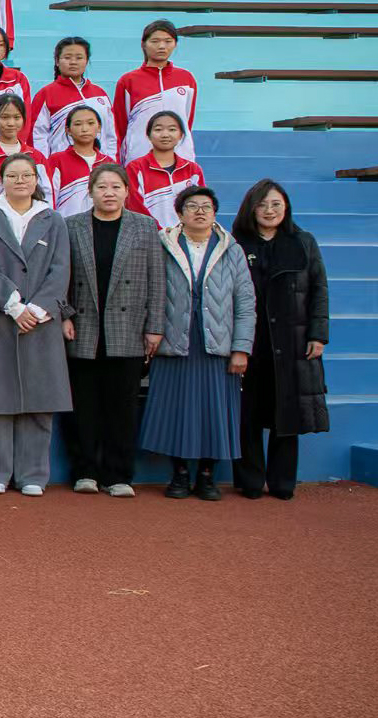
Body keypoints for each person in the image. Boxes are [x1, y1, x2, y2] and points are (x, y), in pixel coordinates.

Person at [142, 186, 254, 501]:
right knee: (174, 409)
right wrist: (152, 330)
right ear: (180, 213)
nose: (200, 211)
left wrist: (241, 347)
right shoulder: (163, 245)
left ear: (215, 213)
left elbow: (245, 302)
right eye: (192, 206)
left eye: (206, 206)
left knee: (214, 412)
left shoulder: (231, 249)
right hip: (173, 341)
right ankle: (178, 473)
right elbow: (151, 291)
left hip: (216, 344)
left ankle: (207, 475)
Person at [61, 162, 164, 498]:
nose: (109, 193)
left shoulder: (145, 227)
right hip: (83, 326)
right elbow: (61, 276)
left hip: (128, 327)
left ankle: (118, 475)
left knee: (122, 407)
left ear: (127, 191)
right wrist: (64, 314)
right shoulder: (72, 226)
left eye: (116, 187)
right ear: (90, 191)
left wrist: (155, 326)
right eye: (102, 187)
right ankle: (85, 471)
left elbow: (157, 280)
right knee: (83, 407)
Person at [0, 155, 71, 495]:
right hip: (1, 318)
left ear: (36, 180)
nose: (20, 181)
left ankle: (33, 474)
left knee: (39, 399)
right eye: (12, 175)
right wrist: (13, 305)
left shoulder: (53, 219)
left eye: (26, 175)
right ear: (0, 180)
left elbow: (61, 268)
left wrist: (39, 308)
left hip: (42, 323)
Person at [231, 180, 331, 501]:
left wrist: (318, 334)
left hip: (292, 341)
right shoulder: (236, 243)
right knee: (247, 413)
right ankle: (249, 479)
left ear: (286, 207)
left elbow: (319, 289)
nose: (269, 210)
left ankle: (282, 480)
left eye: (276, 204)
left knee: (286, 412)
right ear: (251, 209)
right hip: (250, 341)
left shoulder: (303, 242)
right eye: (262, 204)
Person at [114, 19, 198, 164]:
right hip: (138, 157)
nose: (161, 46)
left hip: (180, 157)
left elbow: (187, 120)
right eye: (155, 41)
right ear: (143, 44)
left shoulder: (186, 79)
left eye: (168, 41)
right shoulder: (128, 81)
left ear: (175, 44)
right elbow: (119, 125)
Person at [31, 36, 119, 158]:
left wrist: (111, 162)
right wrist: (44, 165)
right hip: (61, 166)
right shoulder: (46, 94)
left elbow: (111, 134)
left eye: (79, 58)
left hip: (100, 166)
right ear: (57, 61)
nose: (73, 62)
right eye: (67, 57)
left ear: (86, 61)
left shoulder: (100, 93)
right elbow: (37, 136)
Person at [128, 111, 205, 231]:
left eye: (172, 129)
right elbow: (134, 205)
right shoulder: (135, 168)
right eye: (158, 129)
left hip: (185, 236)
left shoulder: (193, 169)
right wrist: (160, 233)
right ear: (148, 135)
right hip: (149, 235)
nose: (165, 135)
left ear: (181, 135)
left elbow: (201, 203)